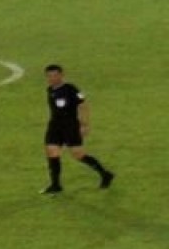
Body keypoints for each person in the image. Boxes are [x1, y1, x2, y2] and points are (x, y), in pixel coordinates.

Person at [41, 64, 115, 194]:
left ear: (61, 75)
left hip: (70, 126)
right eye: (49, 76)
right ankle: (56, 185)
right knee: (52, 152)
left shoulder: (70, 89)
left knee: (78, 155)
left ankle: (105, 174)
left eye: (55, 75)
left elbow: (83, 105)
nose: (52, 78)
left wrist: (84, 124)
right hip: (55, 126)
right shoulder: (50, 90)